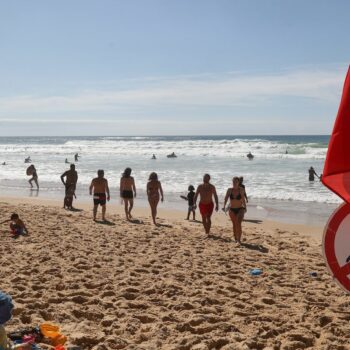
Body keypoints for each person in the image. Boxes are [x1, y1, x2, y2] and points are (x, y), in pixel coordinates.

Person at [223, 177, 247, 244]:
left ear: (238, 182)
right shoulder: (229, 190)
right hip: (232, 209)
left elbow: (243, 199)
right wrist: (224, 206)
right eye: (233, 182)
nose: (234, 183)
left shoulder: (241, 189)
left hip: (240, 208)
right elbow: (225, 198)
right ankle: (235, 238)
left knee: (238, 223)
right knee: (234, 224)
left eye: (236, 182)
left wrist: (245, 207)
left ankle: (239, 240)